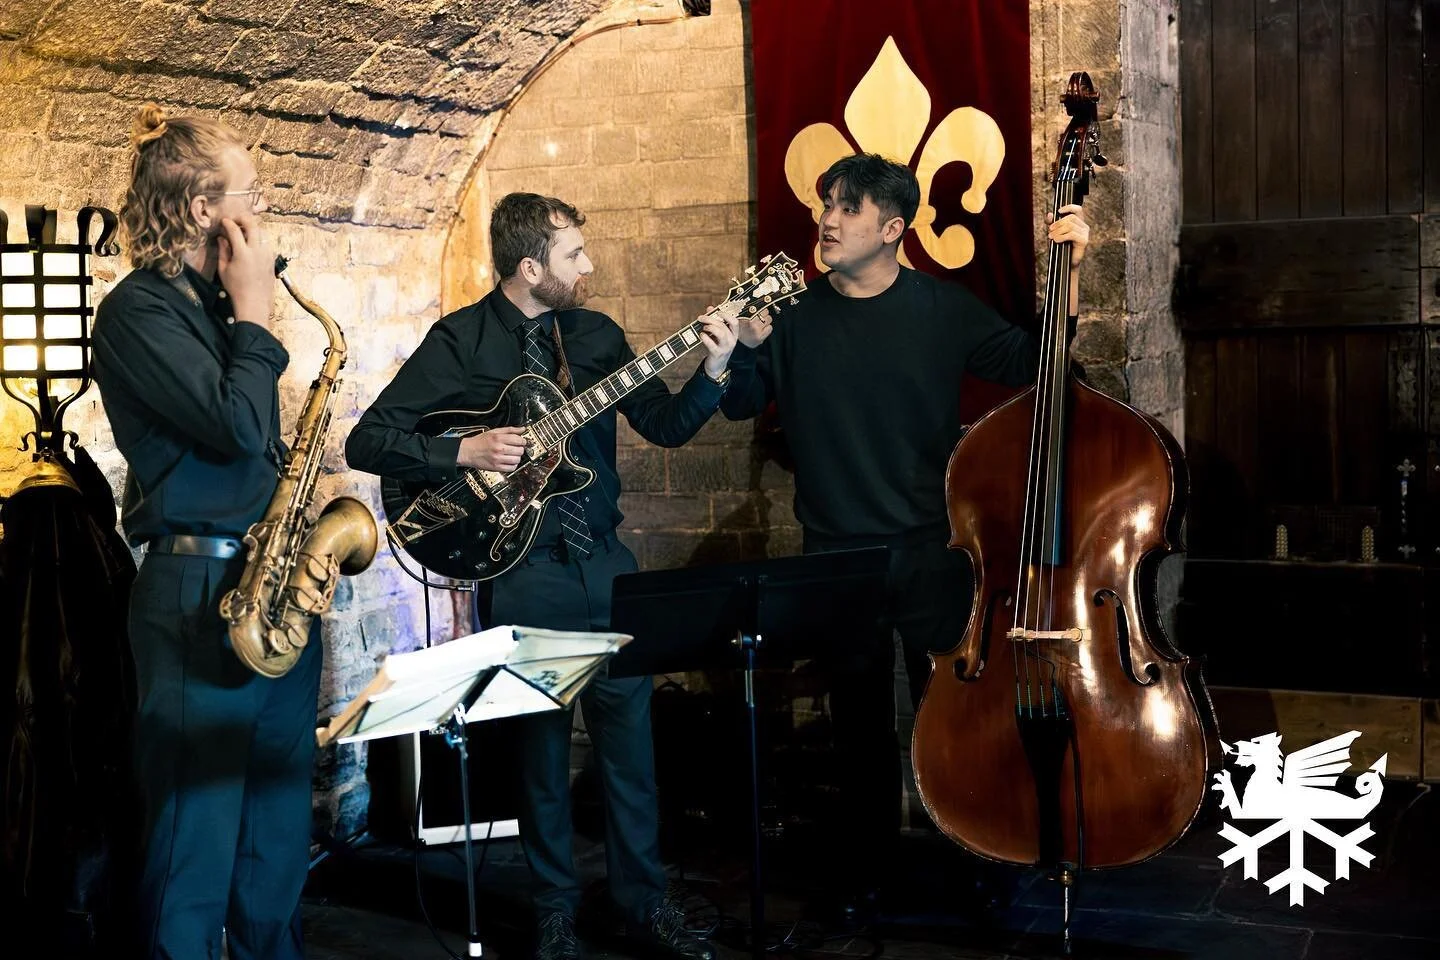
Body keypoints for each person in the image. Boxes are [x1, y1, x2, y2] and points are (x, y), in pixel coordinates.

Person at [346, 192, 735, 960]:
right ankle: (555, 913)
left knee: (632, 755)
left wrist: (716, 366)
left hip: (608, 568)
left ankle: (643, 903)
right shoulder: (460, 341)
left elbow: (664, 425)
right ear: (530, 267)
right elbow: (370, 440)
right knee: (542, 760)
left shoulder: (596, 335)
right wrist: (463, 451)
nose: (590, 265)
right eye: (573, 255)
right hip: (524, 577)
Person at [719, 152, 1090, 918]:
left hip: (932, 551)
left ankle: (974, 863)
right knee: (856, 727)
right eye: (827, 204)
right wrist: (743, 343)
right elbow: (738, 404)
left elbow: (1039, 362)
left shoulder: (942, 309)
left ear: (892, 229)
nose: (828, 220)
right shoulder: (793, 316)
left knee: (950, 719)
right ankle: (868, 874)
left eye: (847, 208)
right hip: (835, 556)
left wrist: (1072, 270)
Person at [91, 104, 318, 959]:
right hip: (196, 598)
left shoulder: (216, 307)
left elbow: (257, 448)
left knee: (275, 842)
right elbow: (235, 425)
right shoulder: (137, 313)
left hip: (270, 589)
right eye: (251, 194)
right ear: (201, 210)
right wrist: (255, 314)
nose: (262, 210)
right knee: (194, 846)